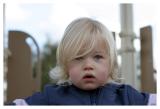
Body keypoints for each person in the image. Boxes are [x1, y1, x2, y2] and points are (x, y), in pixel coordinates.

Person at [9, 17, 156, 105]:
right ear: (66, 64)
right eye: (79, 58)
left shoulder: (126, 96)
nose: (88, 65)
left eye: (97, 57)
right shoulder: (52, 96)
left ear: (110, 64)